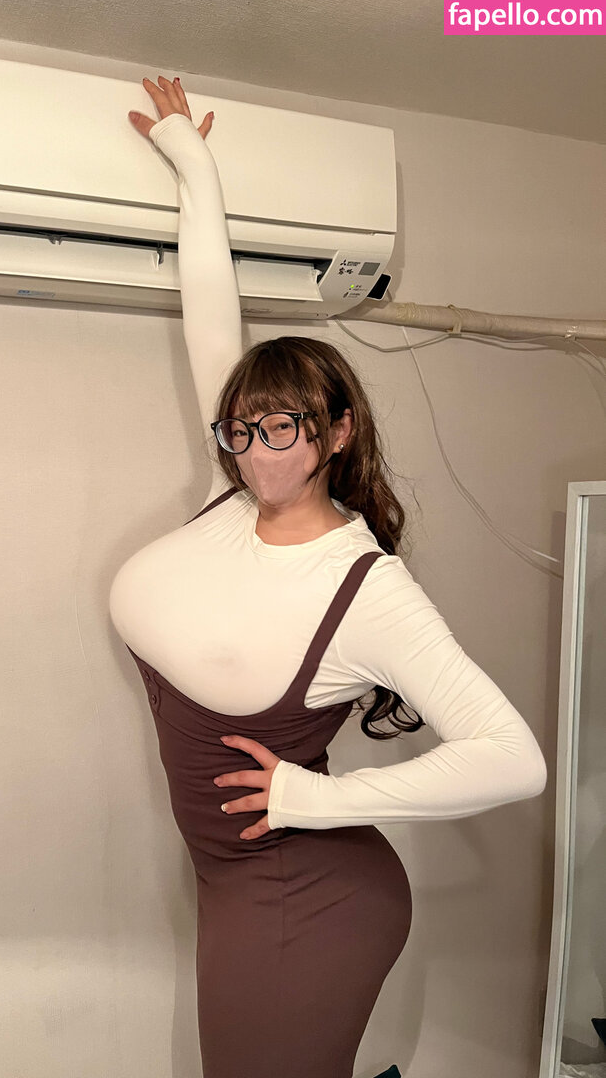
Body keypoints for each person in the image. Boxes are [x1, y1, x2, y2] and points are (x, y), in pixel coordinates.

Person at [110, 75, 547, 1078]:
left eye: (286, 429)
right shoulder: (230, 494)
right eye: (241, 429)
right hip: (234, 880)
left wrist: (315, 799)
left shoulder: (366, 588)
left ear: (338, 431)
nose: (258, 452)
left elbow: (513, 759)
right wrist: (194, 166)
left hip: (304, 895)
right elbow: (210, 323)